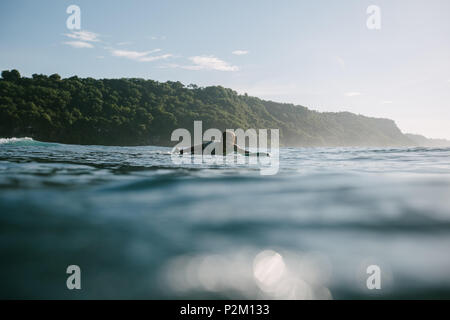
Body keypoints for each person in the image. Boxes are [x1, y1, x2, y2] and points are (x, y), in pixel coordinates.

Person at [175, 131, 270, 156]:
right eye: (226, 139)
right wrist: (182, 151)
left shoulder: (234, 147)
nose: (229, 142)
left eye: (231, 140)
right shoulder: (213, 144)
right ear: (222, 139)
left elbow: (247, 154)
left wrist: (263, 154)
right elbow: (196, 147)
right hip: (201, 153)